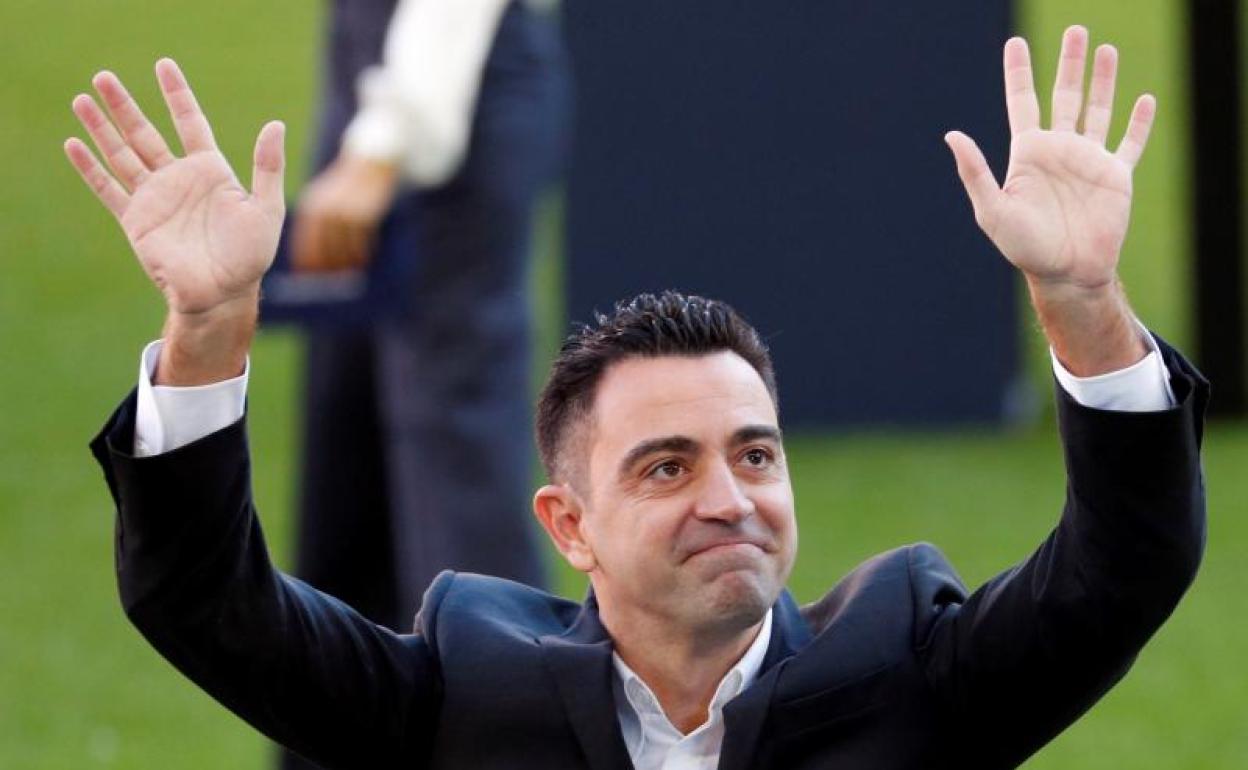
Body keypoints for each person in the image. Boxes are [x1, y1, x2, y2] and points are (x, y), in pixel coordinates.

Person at [68, 26, 1206, 769]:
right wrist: (208, 326)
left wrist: (1082, 299)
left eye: (754, 454)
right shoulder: (462, 690)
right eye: (667, 465)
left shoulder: (907, 668)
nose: (729, 497)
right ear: (568, 525)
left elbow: (1129, 560)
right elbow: (204, 600)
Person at [282, 0, 567, 662]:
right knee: (353, 453)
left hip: (440, 100)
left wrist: (381, 144)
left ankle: (509, 708)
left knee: (452, 457)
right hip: (379, 88)